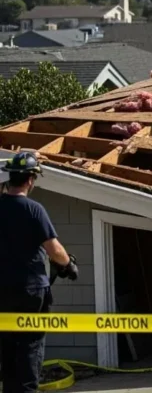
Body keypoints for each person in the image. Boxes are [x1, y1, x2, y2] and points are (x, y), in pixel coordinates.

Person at [0, 151, 77, 393]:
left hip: (2, 291)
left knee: (7, 347)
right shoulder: (34, 210)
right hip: (30, 290)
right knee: (30, 347)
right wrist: (67, 265)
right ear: (31, 180)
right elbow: (54, 250)